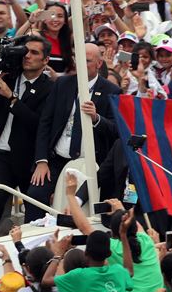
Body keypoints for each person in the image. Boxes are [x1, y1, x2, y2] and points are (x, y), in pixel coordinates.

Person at [26, 42, 121, 222]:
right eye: (79, 60)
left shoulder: (111, 91)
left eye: (87, 61)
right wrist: (41, 160)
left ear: (99, 64)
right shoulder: (63, 83)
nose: (81, 64)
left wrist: (96, 118)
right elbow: (45, 122)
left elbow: (116, 130)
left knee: (76, 208)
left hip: (91, 164)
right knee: (35, 195)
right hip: (56, 160)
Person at [0, 35, 53, 238]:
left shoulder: (50, 88)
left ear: (46, 60)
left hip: (29, 159)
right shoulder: (8, 77)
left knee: (34, 207)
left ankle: (32, 250)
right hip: (1, 155)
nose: (28, 56)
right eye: (25, 51)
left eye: (34, 53)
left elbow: (38, 124)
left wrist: (11, 98)